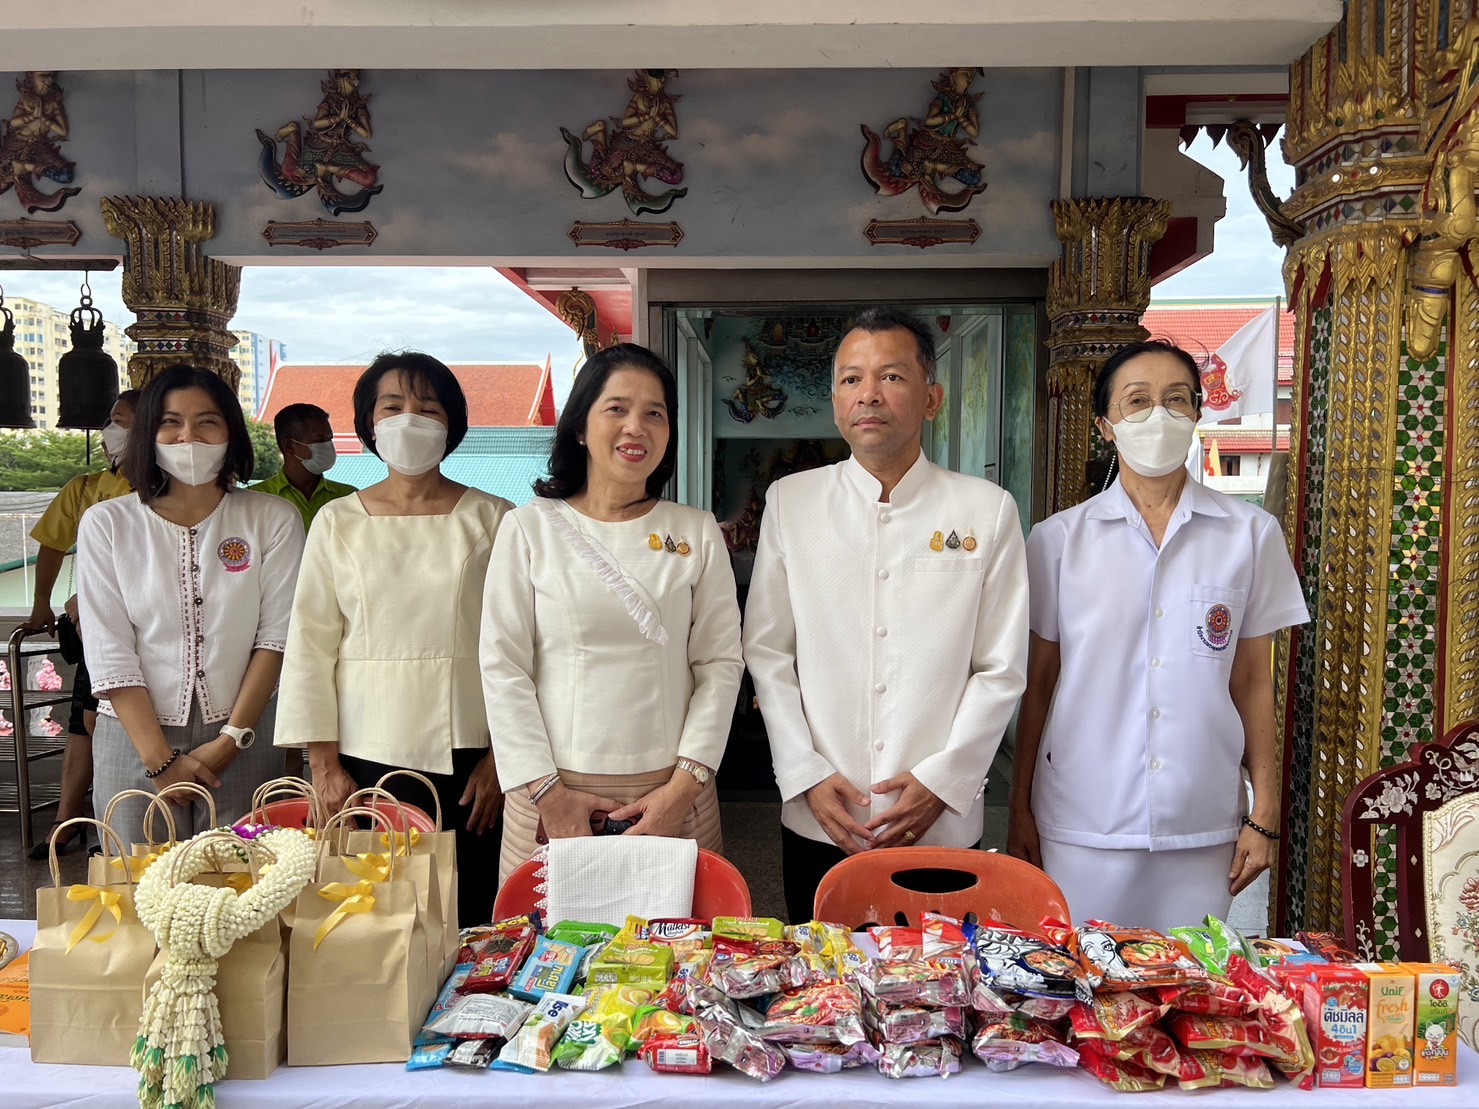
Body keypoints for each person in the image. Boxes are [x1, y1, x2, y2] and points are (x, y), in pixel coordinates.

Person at [1007, 340, 1310, 932]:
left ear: (1198, 415)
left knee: (1191, 990)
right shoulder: (1058, 541)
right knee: (1087, 997)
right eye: (1137, 402)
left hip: (1200, 816)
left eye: (1176, 401)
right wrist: (1019, 805)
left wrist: (1264, 811)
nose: (1159, 417)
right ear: (1106, 425)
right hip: (1081, 816)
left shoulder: (1249, 535)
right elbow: (1037, 682)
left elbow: (1253, 681)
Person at [743, 306, 1029, 924]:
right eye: (851, 379)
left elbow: (1001, 667)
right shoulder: (791, 502)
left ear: (932, 397)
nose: (868, 394)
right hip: (823, 814)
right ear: (835, 399)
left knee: (938, 998)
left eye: (892, 377)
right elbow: (768, 651)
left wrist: (944, 782)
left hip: (940, 820)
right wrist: (805, 772)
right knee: (820, 1000)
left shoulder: (986, 509)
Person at [482, 343, 743, 882]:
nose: (636, 427)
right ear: (580, 426)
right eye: (617, 408)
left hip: (673, 791)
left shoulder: (696, 531)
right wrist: (549, 796)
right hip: (552, 795)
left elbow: (720, 663)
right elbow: (504, 668)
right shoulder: (529, 529)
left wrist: (682, 790)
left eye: (655, 413)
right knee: (549, 957)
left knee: (676, 954)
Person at [277, 352, 510, 927]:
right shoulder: (337, 521)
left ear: (452, 423)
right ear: (369, 423)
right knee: (372, 920)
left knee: (467, 917)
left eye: (428, 408)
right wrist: (323, 765)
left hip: (469, 758)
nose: (411, 419)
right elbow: (311, 645)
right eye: (393, 406)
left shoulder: (495, 518)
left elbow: (523, 649)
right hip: (362, 757)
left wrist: (502, 759)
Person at [78, 366, 304, 846]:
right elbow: (109, 649)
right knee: (137, 889)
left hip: (244, 734)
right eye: (169, 422)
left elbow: (276, 638)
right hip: (134, 738)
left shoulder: (271, 519)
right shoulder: (108, 524)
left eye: (207, 422)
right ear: (148, 434)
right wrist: (160, 760)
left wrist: (230, 741)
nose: (188, 436)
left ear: (230, 432)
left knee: (245, 890)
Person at [21, 390, 138, 857]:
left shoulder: (163, 490)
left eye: (123, 421)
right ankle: (68, 819)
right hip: (93, 628)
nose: (111, 431)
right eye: (111, 420)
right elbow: (52, 543)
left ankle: (107, 824)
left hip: (138, 626)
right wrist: (42, 604)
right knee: (83, 722)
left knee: (103, 720)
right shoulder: (86, 488)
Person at [248, 402, 353, 531]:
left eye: (329, 439)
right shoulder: (255, 499)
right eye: (319, 440)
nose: (328, 446)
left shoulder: (349, 497)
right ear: (289, 447)